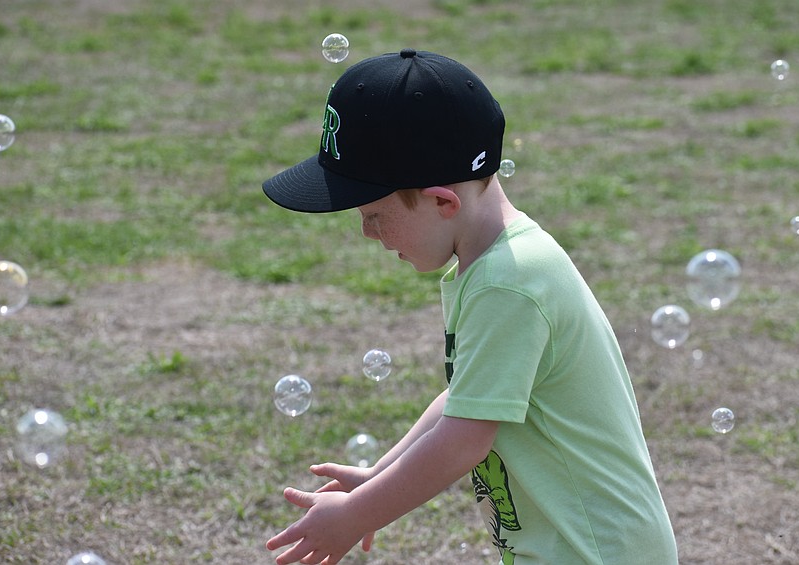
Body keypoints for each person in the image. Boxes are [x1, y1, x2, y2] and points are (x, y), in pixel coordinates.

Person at [261, 48, 679, 565]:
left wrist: (358, 514)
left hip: (593, 552)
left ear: (443, 201)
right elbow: (467, 398)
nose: (366, 232)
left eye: (374, 214)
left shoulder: (508, 283)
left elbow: (463, 441)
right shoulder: (495, 264)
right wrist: (377, 476)